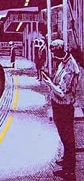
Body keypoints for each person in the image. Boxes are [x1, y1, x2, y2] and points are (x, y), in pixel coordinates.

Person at [41, 39, 80, 179]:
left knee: (67, 137)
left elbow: (63, 92)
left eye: (54, 52)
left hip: (64, 106)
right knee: (64, 135)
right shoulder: (63, 61)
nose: (52, 55)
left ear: (60, 50)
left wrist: (49, 83)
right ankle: (66, 161)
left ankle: (69, 171)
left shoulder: (70, 66)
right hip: (58, 104)